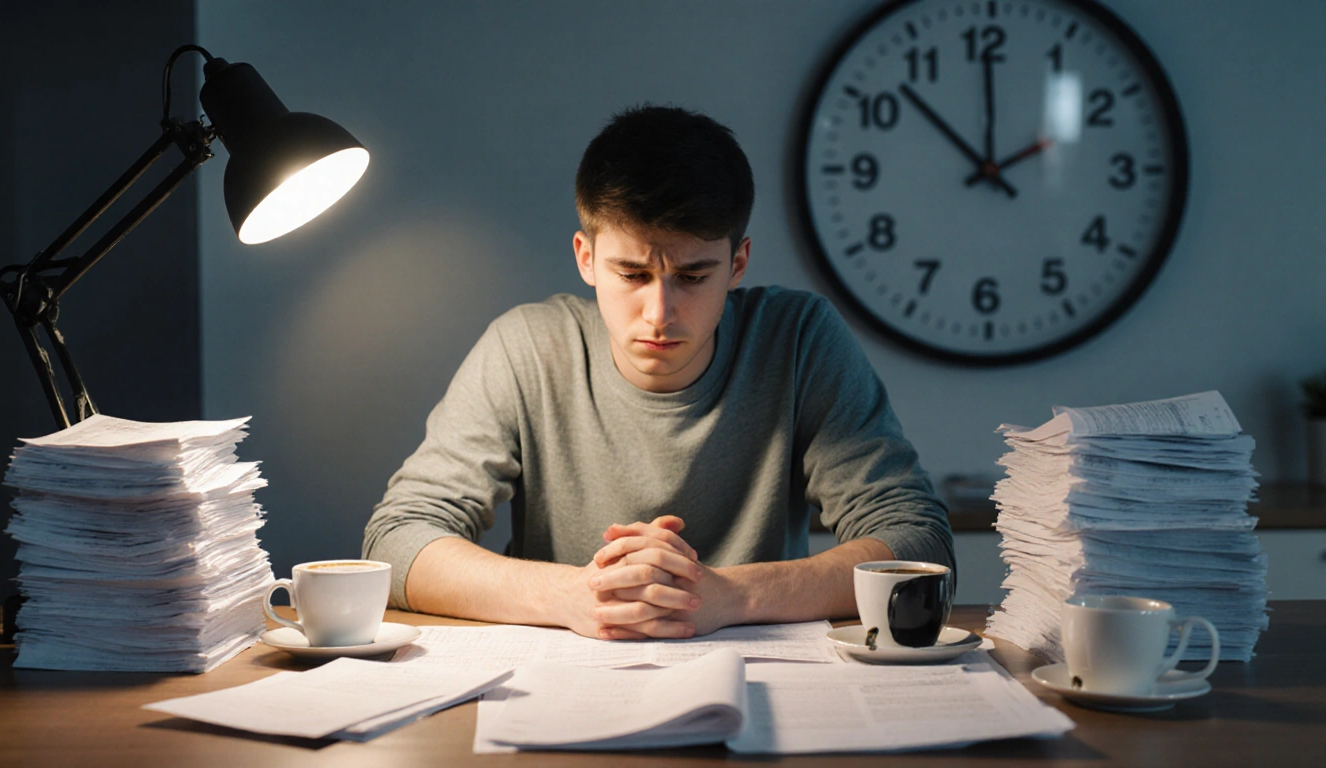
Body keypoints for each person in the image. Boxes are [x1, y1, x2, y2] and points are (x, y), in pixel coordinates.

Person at [363, 105, 953, 641]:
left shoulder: (798, 339)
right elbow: (397, 539)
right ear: (585, 258)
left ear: (737, 262)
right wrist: (572, 595)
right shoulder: (526, 347)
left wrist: (731, 595)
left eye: (694, 277)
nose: (660, 313)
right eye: (631, 274)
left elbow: (919, 543)